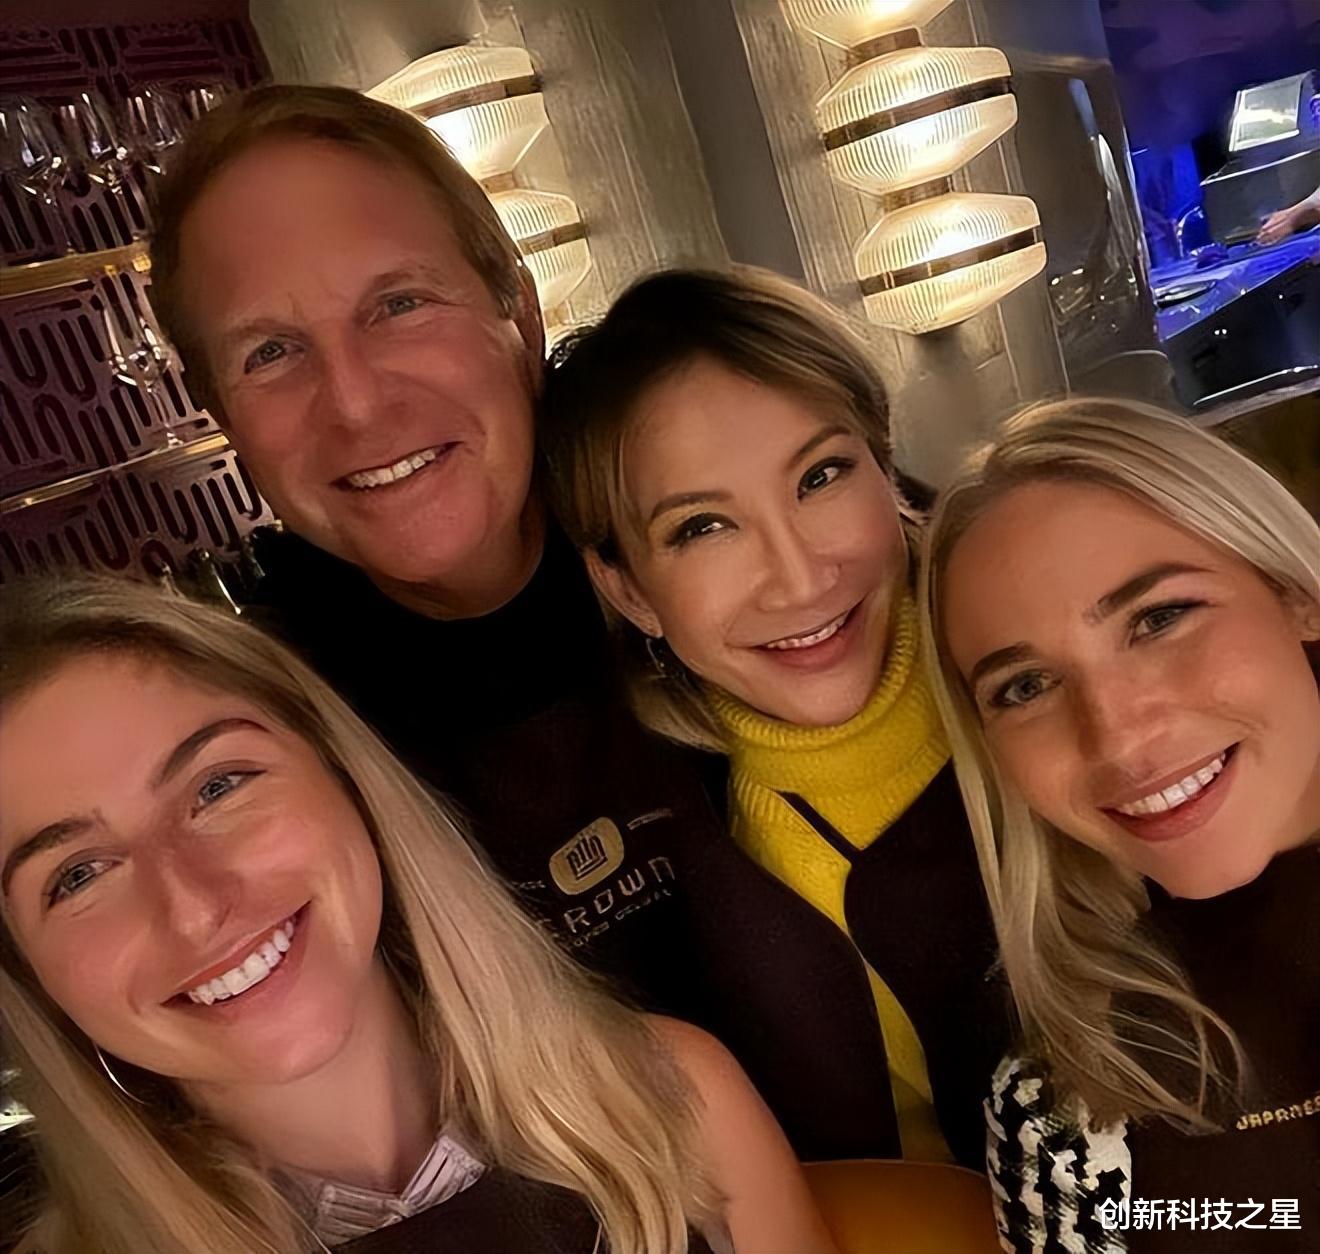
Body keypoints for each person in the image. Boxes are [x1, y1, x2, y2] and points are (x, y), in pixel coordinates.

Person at [0, 575, 837, 1254]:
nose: (193, 906)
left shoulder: (677, 1099)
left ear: (344, 774)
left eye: (217, 787)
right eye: (77, 876)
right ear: (30, 975)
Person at [146, 83, 730, 1026]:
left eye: (400, 304)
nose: (356, 403)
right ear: (221, 416)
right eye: (270, 354)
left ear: (519, 314)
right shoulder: (257, 739)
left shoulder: (729, 494)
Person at [540, 267, 1008, 1169]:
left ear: (884, 463)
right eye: (702, 528)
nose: (799, 579)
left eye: (821, 476)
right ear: (628, 589)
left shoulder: (1048, 656)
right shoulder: (690, 872)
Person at [919, 397, 1320, 1252]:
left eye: (1158, 618)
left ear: (1293, 594)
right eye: (1025, 687)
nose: (1118, 738)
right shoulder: (1063, 1109)